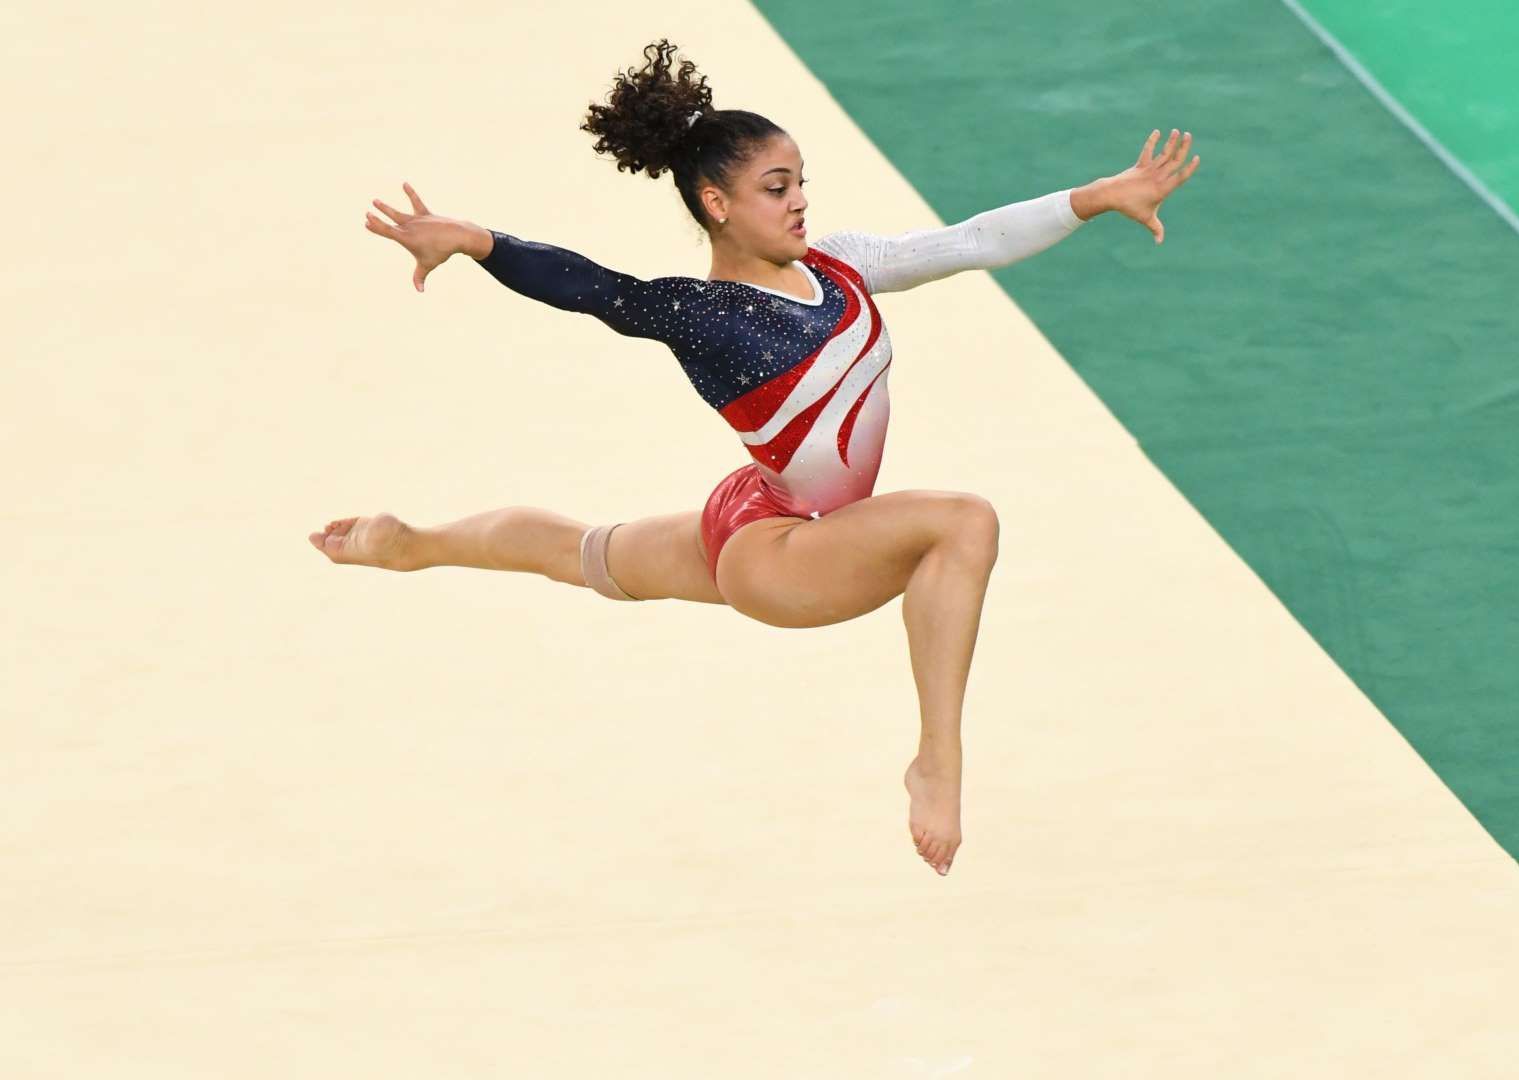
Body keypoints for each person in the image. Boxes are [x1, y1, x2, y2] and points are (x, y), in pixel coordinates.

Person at [309, 38, 1200, 877]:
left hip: (757, 512)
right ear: (718, 205)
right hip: (782, 554)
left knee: (584, 554)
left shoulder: (838, 266)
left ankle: (412, 543)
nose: (800, 200)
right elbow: (594, 290)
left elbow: (969, 242)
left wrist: (1097, 195)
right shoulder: (708, 317)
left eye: (801, 181)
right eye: (777, 188)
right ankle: (937, 760)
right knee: (963, 524)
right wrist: (477, 242)